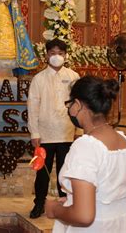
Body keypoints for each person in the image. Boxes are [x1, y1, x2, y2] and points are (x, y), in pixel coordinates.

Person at [46, 75, 126, 232]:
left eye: (70, 103)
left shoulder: (86, 147)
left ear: (77, 105)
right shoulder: (125, 142)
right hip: (123, 224)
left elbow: (84, 216)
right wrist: (74, 200)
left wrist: (54, 209)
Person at [28, 38, 80, 219]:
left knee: (65, 172)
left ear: (65, 55)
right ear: (46, 55)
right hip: (44, 134)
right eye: (52, 53)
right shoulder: (38, 79)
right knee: (42, 172)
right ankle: (39, 204)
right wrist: (34, 132)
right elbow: (32, 107)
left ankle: (65, 203)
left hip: (67, 132)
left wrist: (79, 130)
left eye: (60, 53)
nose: (56, 56)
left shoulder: (73, 77)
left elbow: (79, 105)